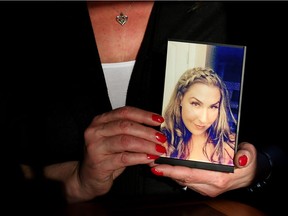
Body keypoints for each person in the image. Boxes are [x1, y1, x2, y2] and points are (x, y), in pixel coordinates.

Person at [1, 1, 287, 214]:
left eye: (210, 105)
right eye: (196, 103)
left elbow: (279, 147)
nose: (204, 115)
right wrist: (75, 182)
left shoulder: (236, 9)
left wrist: (256, 168)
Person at [161, 67, 236, 166]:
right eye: (196, 104)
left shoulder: (231, 145)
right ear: (180, 99)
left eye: (213, 107)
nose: (203, 119)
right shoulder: (161, 142)